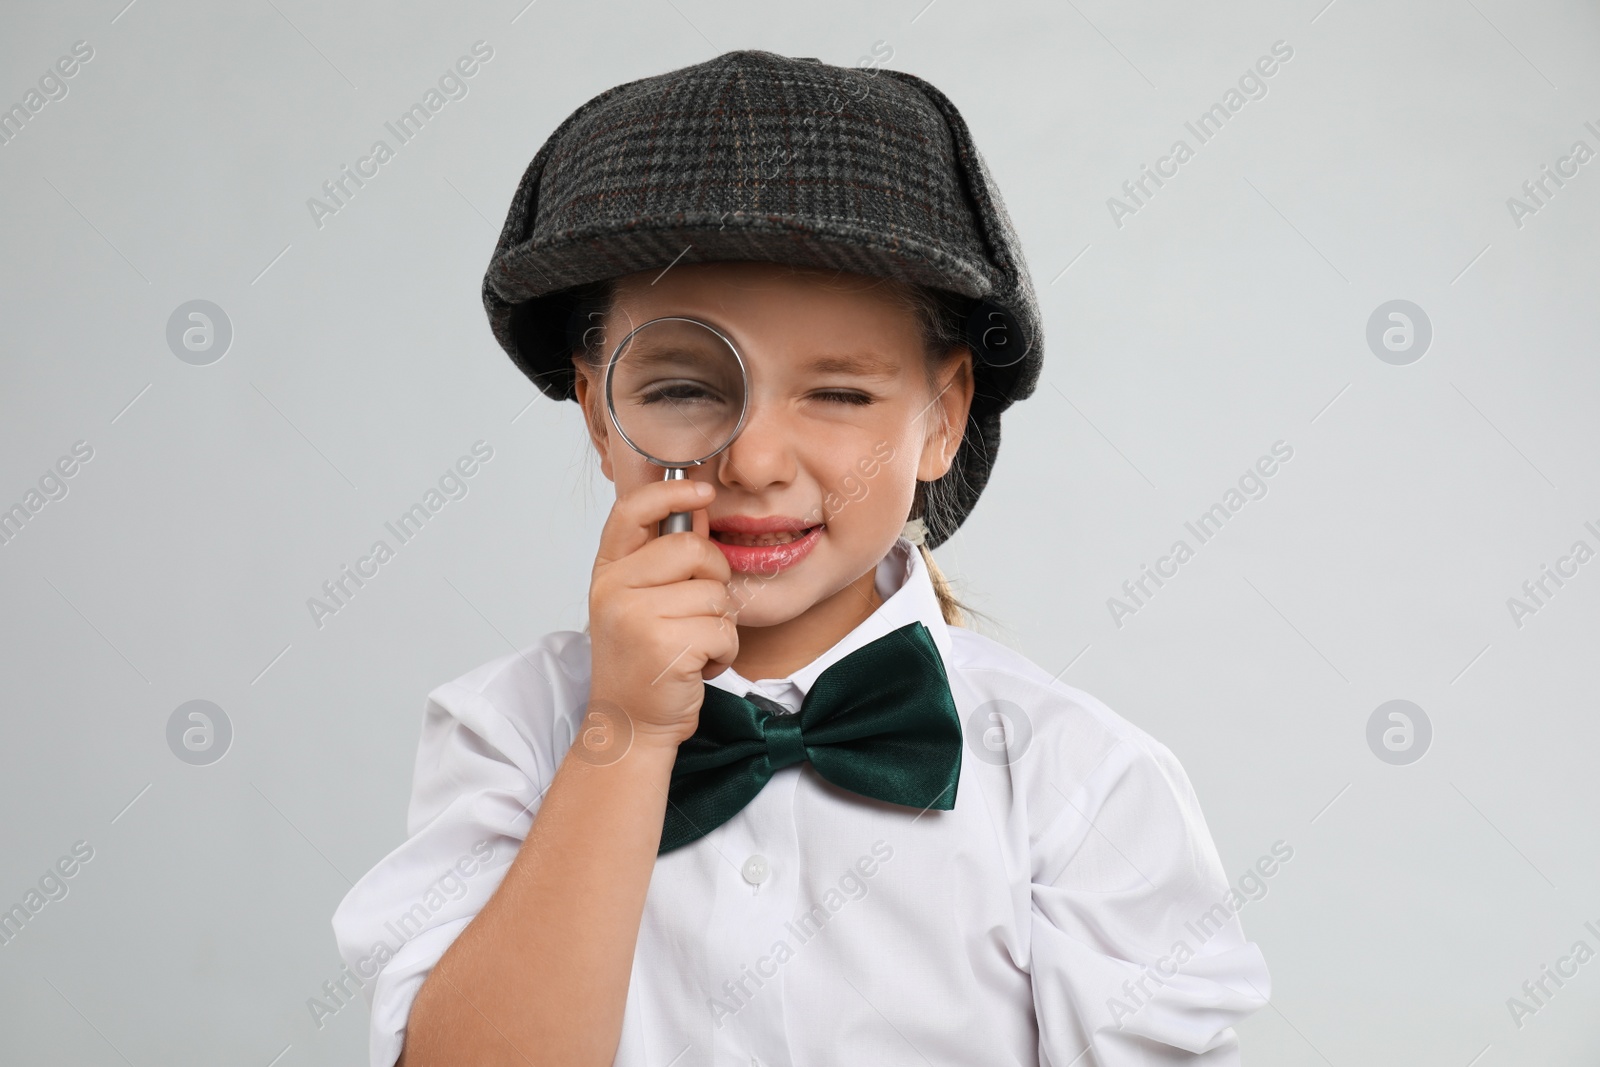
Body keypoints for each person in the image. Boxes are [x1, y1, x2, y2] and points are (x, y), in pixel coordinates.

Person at [332, 49, 1270, 1067]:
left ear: (942, 418)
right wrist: (626, 735)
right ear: (600, 415)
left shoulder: (1080, 781)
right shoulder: (511, 734)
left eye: (837, 393)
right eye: (685, 387)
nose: (755, 459)